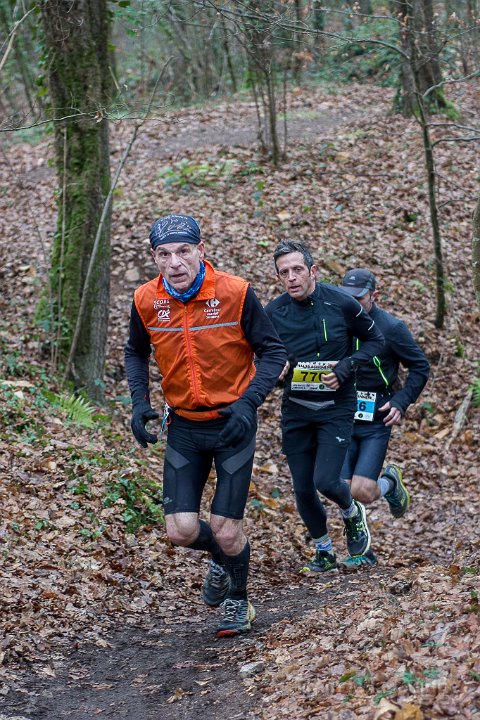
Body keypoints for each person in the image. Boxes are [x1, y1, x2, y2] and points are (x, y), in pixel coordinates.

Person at [124, 214, 287, 637]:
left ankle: (239, 600)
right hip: (184, 426)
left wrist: (249, 403)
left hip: (233, 424)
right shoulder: (146, 299)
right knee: (180, 531)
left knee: (227, 531)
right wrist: (140, 403)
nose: (174, 262)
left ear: (200, 250)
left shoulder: (236, 292)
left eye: (183, 251)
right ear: (154, 257)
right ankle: (221, 560)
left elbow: (273, 352)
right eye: (164, 254)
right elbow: (135, 352)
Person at [265, 241, 384, 573]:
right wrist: (276, 369)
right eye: (284, 273)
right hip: (297, 408)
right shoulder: (272, 313)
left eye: (297, 270)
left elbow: (376, 341)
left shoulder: (342, 302)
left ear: (313, 271)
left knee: (326, 481)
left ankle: (352, 512)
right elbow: (263, 355)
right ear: (278, 278)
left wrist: (347, 366)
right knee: (303, 489)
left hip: (336, 406)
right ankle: (324, 552)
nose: (291, 278)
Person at [338, 268, 430, 568]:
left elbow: (420, 367)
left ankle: (390, 482)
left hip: (376, 419)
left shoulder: (391, 328)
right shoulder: (337, 323)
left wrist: (401, 401)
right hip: (342, 417)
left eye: (359, 299)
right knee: (341, 489)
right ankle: (362, 552)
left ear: (374, 295)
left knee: (362, 491)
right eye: (347, 298)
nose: (353, 304)